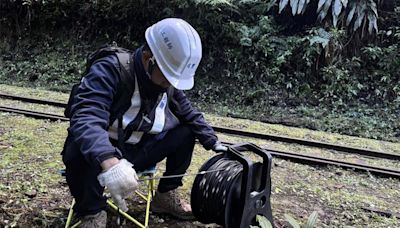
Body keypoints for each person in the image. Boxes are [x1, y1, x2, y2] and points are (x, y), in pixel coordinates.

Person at [62, 18, 227, 227]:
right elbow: (87, 116)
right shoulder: (111, 70)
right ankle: (92, 211)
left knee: (187, 131)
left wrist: (214, 142)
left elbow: (189, 114)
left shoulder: (165, 83)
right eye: (168, 77)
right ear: (149, 59)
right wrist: (110, 162)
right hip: (100, 155)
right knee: (76, 146)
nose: (170, 85)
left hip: (137, 150)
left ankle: (166, 195)